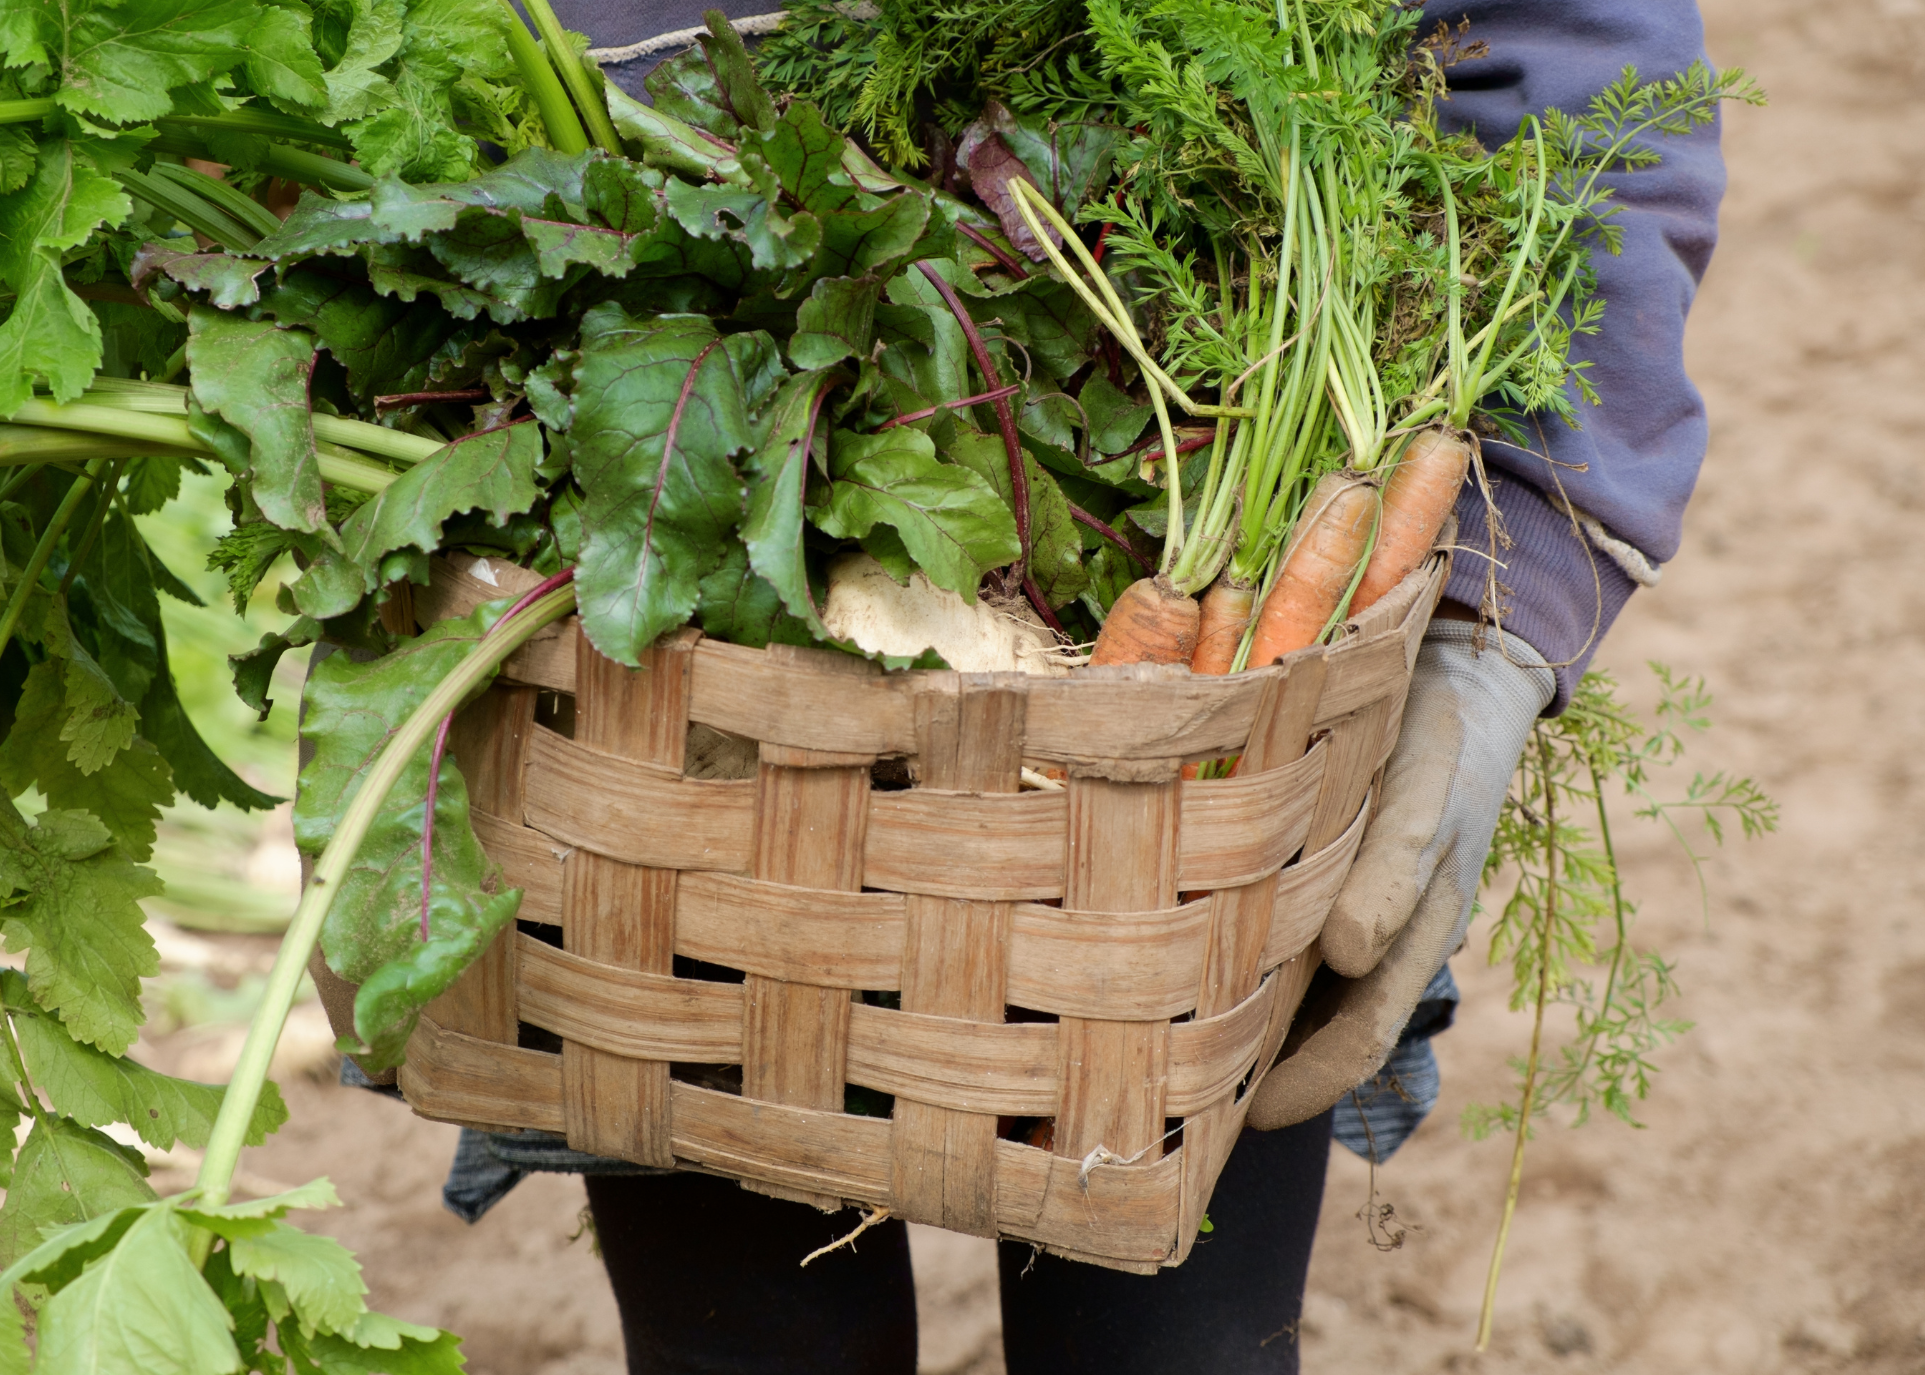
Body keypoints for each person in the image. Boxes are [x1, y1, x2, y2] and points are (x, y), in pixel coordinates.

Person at [338, 2, 1731, 1370]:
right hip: (641, 608)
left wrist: (1506, 598)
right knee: (743, 1324)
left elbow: (1570, 46)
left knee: (1178, 1323)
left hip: (1211, 709)